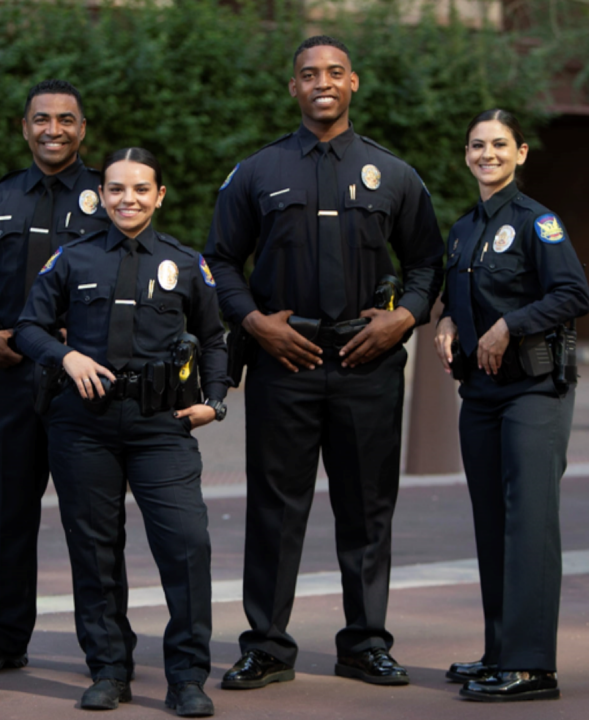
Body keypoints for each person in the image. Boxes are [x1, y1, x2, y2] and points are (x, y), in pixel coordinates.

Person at [204, 35, 444, 690]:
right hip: (287, 360)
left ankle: (365, 643)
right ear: (293, 88)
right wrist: (253, 322)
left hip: (369, 361)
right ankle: (267, 647)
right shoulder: (257, 171)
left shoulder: (393, 173)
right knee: (275, 509)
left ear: (354, 83)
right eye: (308, 73)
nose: (322, 82)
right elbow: (218, 260)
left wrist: (406, 316)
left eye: (334, 72)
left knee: (368, 510)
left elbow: (427, 260)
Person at [16, 147, 228, 717]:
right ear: (101, 196)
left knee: (187, 546)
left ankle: (187, 677)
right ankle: (109, 669)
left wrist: (215, 401)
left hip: (163, 426)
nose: (127, 199)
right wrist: (67, 358)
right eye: (115, 189)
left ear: (159, 196)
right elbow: (28, 328)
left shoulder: (185, 262)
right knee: (94, 550)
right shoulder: (71, 259)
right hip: (84, 426)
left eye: (140, 189)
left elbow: (213, 337)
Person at [0, 80, 136, 676]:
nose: (53, 129)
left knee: (96, 520)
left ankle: (109, 646)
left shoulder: (109, 196)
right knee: (14, 516)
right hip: (14, 381)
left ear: (84, 129)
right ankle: (4, 636)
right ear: (23, 126)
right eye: (41, 119)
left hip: (87, 386)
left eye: (66, 119)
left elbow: (140, 271)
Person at [433, 109, 589, 702]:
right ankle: (499, 651)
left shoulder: (537, 222)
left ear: (521, 153)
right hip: (480, 394)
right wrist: (447, 317)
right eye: (477, 145)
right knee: (492, 524)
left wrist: (510, 326)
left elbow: (575, 293)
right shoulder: (462, 228)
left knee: (528, 523)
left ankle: (532, 665)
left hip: (533, 392)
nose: (487, 154)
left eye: (499, 145)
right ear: (466, 154)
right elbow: (457, 293)